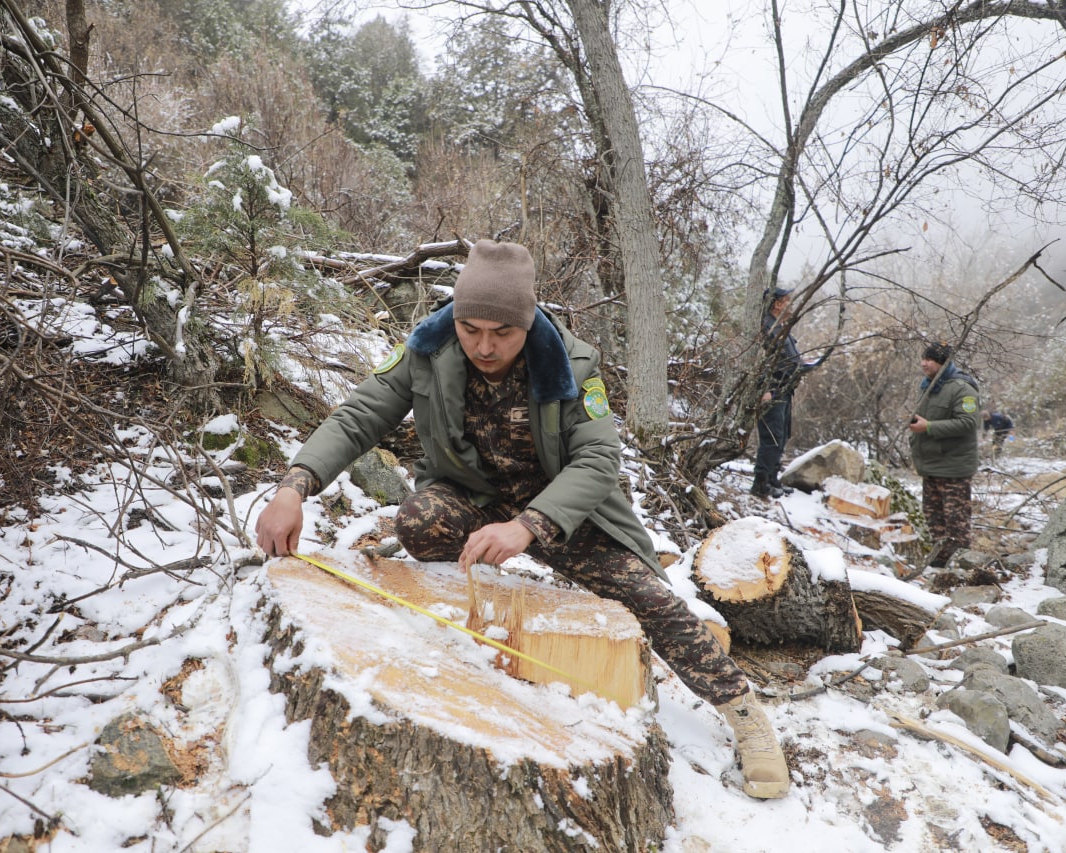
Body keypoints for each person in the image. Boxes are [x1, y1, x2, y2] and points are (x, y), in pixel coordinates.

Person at [256, 239, 790, 799]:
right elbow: (359, 416)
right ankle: (471, 607)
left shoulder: (572, 363)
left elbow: (599, 458)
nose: (484, 346)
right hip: (475, 501)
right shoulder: (425, 349)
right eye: (471, 329)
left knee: (649, 599)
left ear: (528, 321)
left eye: (502, 332)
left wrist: (530, 526)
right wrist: (294, 487)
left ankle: (744, 713)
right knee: (418, 522)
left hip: (561, 511)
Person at [908, 341, 981, 568]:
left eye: (930, 359)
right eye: (923, 358)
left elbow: (968, 423)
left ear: (943, 362)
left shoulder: (962, 388)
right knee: (934, 521)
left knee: (956, 524)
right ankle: (938, 566)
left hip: (954, 468)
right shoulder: (927, 386)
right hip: (931, 466)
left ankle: (960, 568)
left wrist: (928, 427)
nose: (924, 363)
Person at [752, 287, 822, 499]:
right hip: (772, 391)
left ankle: (772, 480)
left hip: (784, 389)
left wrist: (804, 364)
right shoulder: (766, 328)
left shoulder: (780, 327)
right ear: (777, 304)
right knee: (771, 437)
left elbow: (788, 359)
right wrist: (765, 390)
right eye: (787, 300)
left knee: (781, 436)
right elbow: (759, 361)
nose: (791, 304)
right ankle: (761, 484)